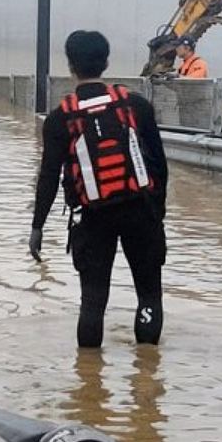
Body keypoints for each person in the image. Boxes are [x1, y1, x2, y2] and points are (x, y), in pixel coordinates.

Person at [30, 30, 168, 348]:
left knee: (92, 302)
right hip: (140, 209)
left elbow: (48, 177)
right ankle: (147, 384)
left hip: (92, 216)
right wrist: (157, 214)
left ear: (70, 65)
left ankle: (89, 385)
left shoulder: (59, 119)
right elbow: (159, 166)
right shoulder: (136, 105)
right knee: (149, 294)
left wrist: (37, 226)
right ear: (106, 62)